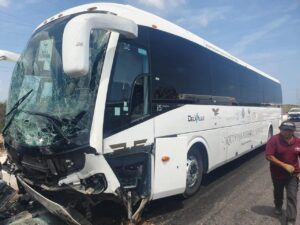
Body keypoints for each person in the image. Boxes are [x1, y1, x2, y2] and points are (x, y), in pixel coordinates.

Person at [266, 121, 300, 225]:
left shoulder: (298, 141)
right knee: (278, 192)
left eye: (290, 130)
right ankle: (278, 206)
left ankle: (290, 220)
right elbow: (269, 156)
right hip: (277, 174)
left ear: (293, 131)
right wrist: (284, 165)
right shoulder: (274, 140)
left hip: (293, 175)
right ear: (281, 129)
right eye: (285, 130)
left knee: (292, 196)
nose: (287, 132)